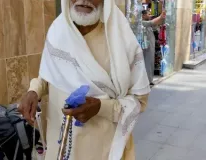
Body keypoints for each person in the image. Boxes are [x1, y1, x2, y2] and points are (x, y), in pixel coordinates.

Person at [19, 0, 150, 159]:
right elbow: (50, 73)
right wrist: (34, 90)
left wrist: (101, 107)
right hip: (59, 146)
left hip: (101, 150)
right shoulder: (58, 31)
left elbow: (139, 101)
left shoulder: (120, 40)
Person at [142, 9, 166, 85]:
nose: (150, 16)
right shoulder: (142, 23)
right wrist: (160, 16)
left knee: (150, 63)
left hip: (150, 48)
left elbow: (155, 23)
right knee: (147, 63)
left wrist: (161, 18)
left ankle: (149, 80)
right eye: (148, 14)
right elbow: (151, 22)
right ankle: (146, 81)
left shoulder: (148, 24)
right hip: (146, 48)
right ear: (143, 15)